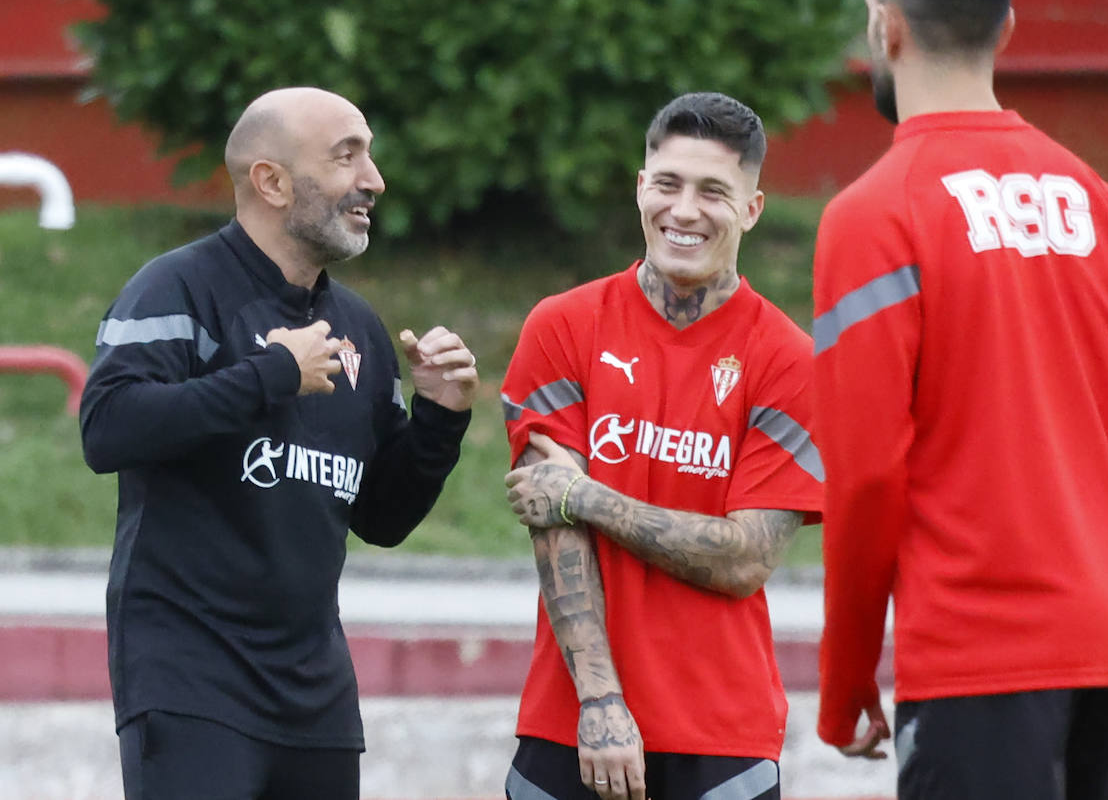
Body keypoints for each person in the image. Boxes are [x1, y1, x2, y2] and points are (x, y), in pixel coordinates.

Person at [812, 0, 1108, 800]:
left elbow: (868, 473)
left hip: (978, 659)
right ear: (1006, 27)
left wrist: (845, 678)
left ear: (886, 26)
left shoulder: (874, 217)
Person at [79, 86, 478, 800]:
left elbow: (382, 518)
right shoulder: (175, 288)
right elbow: (108, 427)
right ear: (271, 181)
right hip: (189, 682)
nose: (374, 180)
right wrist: (270, 375)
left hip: (315, 698)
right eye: (346, 156)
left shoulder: (359, 329)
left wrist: (440, 420)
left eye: (370, 155)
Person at [501, 92, 824, 800]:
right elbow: (555, 533)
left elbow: (744, 559)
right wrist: (600, 703)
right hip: (570, 724)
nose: (684, 211)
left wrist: (585, 495)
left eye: (714, 192)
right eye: (668, 184)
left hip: (722, 735)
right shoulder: (562, 328)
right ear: (640, 186)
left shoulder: (788, 361)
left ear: (752, 208)